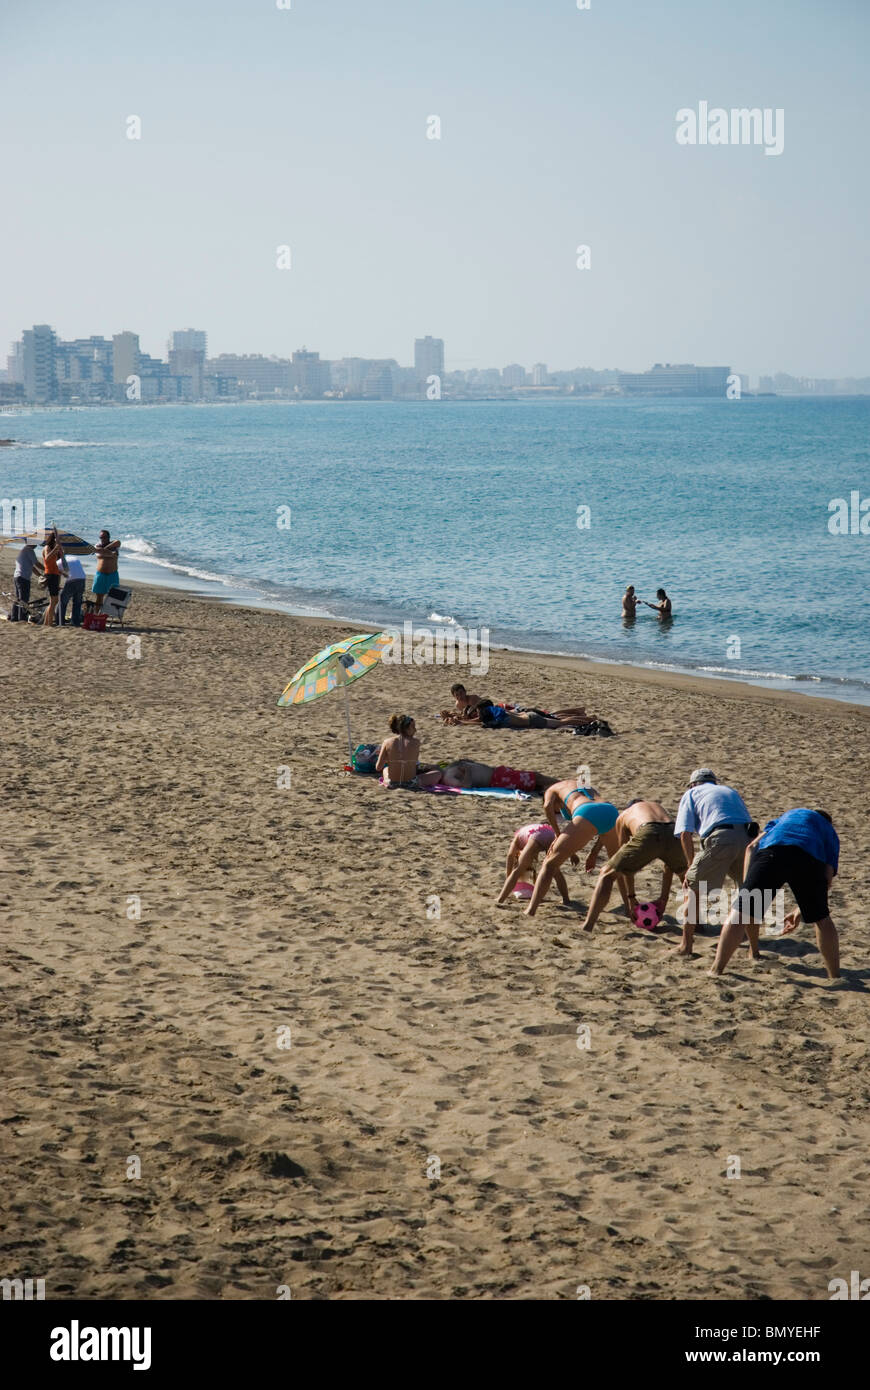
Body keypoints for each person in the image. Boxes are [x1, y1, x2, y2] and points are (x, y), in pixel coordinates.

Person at [710, 809, 841, 980]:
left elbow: (751, 848)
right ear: (828, 822)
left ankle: (716, 969)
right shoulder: (829, 831)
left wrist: (746, 888)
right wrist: (800, 910)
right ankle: (834, 976)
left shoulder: (785, 818)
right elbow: (827, 879)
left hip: (773, 852)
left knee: (741, 912)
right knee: (822, 919)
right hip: (808, 858)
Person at [674, 769, 754, 957]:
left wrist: (689, 865)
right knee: (748, 891)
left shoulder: (691, 793)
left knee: (691, 888)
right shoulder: (730, 791)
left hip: (721, 837)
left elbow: (685, 833)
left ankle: (686, 946)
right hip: (748, 838)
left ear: (694, 784)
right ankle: (751, 946)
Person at [580, 799, 688, 932]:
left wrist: (631, 898)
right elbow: (668, 866)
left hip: (648, 830)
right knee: (688, 878)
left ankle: (588, 925)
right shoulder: (657, 807)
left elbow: (624, 866)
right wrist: (663, 899)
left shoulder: (624, 815)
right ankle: (697, 924)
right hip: (673, 830)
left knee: (606, 874)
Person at [524, 779, 623, 917]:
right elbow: (601, 823)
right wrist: (594, 853)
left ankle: (531, 910)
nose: (558, 813)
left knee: (549, 864)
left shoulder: (551, 790)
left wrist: (558, 834)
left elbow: (547, 806)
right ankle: (630, 907)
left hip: (587, 811)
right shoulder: (580, 784)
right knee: (617, 866)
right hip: (611, 811)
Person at [496, 822, 571, 907]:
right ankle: (566, 899)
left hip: (536, 836)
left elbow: (510, 856)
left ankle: (500, 899)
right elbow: (533, 863)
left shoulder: (516, 840)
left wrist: (508, 877)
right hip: (551, 834)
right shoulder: (524, 835)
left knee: (517, 870)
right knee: (556, 871)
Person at [430, 760, 556, 793]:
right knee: (535, 778)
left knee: (536, 780)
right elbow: (465, 786)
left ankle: (562, 784)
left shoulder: (447, 768)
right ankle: (564, 784)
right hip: (497, 780)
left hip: (498, 773)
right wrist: (467, 770)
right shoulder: (447, 778)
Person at [375, 715, 423, 787]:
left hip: (392, 783)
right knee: (437, 774)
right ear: (406, 729)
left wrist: (387, 758)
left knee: (386, 769)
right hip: (411, 783)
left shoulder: (387, 742)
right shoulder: (416, 742)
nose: (415, 730)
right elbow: (414, 764)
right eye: (413, 727)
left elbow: (378, 767)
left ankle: (386, 780)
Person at [12, 539, 43, 619]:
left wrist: (39, 575)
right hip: (23, 578)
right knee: (23, 599)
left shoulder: (24, 550)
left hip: (18, 576)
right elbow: (37, 563)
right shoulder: (29, 550)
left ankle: (14, 617)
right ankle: (21, 617)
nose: (36, 545)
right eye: (36, 543)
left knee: (18, 598)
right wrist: (47, 569)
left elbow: (32, 567)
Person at [92, 529, 121, 612]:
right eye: (101, 537)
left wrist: (105, 549)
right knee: (99, 597)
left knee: (112, 597)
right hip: (101, 574)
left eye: (104, 537)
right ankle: (96, 614)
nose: (102, 539)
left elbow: (118, 542)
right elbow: (99, 551)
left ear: (108, 537)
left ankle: (105, 616)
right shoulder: (98, 545)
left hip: (112, 574)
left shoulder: (114, 545)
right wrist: (109, 553)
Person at [41, 529, 64, 627]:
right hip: (50, 575)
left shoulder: (56, 549)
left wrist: (60, 551)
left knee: (54, 600)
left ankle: (47, 622)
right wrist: (55, 549)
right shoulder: (47, 547)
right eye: (57, 540)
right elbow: (47, 559)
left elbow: (60, 563)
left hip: (56, 575)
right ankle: (49, 623)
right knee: (54, 600)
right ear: (53, 539)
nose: (59, 542)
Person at [59, 553, 87, 627]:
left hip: (72, 580)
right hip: (82, 579)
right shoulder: (74, 557)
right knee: (77, 602)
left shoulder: (59, 562)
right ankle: (75, 622)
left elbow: (58, 575)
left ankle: (60, 621)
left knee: (63, 601)